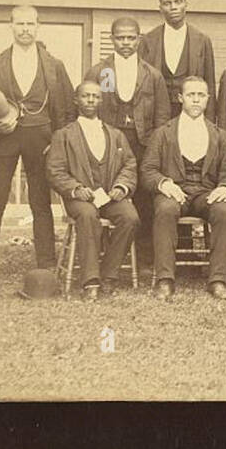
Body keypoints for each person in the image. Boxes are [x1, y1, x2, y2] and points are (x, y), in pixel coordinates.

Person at [0, 5, 76, 276]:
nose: (25, 29)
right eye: (20, 24)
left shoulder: (54, 65)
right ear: (10, 26)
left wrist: (58, 141)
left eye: (30, 24)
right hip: (4, 138)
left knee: (40, 201)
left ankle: (45, 261)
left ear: (38, 26)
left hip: (41, 138)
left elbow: (67, 109)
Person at [84, 16, 170, 269]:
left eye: (130, 38)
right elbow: (87, 108)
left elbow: (162, 114)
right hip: (108, 141)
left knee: (144, 195)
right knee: (106, 190)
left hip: (142, 140)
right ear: (112, 40)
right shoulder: (99, 71)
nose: (125, 43)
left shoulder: (152, 75)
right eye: (120, 38)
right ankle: (102, 249)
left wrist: (155, 145)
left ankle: (144, 254)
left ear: (138, 39)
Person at [142, 77, 226, 300]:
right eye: (191, 95)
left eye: (201, 95)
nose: (196, 100)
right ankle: (165, 280)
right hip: (174, 191)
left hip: (206, 193)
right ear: (180, 98)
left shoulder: (219, 135)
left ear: (207, 99)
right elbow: (148, 170)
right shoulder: (163, 133)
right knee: (165, 210)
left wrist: (224, 187)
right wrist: (165, 183)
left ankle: (218, 279)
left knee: (224, 210)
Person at [45, 81, 140, 300]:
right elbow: (54, 171)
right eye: (86, 96)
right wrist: (75, 188)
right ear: (76, 100)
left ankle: (108, 274)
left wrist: (121, 186)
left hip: (109, 196)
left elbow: (129, 164)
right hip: (80, 198)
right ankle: (90, 280)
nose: (90, 100)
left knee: (130, 217)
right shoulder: (64, 135)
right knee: (87, 215)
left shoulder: (115, 134)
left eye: (95, 97)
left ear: (101, 100)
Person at [138, 0, 217, 112]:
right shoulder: (148, 40)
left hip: (191, 111)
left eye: (178, 2)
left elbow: (210, 85)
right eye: (167, 3)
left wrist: (209, 123)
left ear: (186, 5)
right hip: (157, 112)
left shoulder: (202, 40)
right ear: (160, 9)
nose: (173, 7)